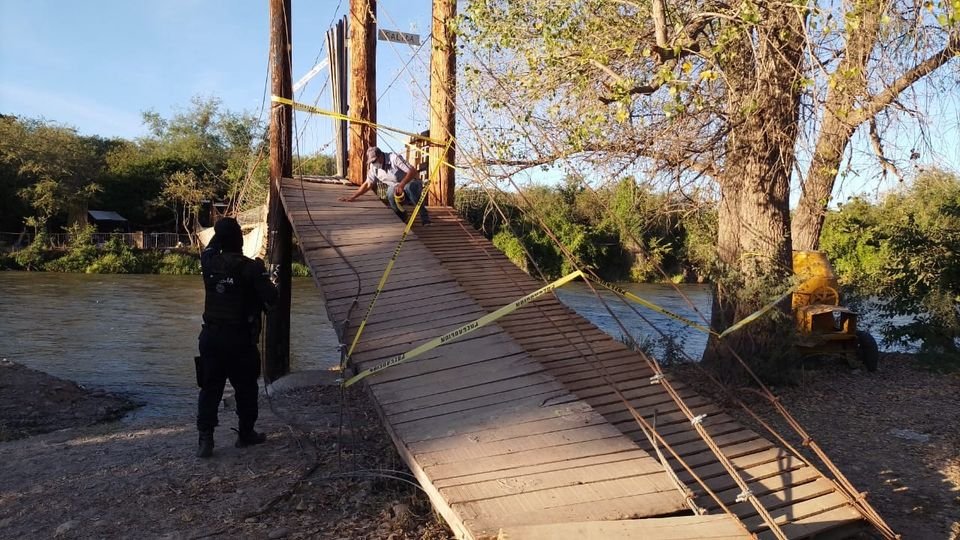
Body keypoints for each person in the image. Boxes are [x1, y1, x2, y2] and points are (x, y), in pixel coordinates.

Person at [195, 217, 278, 458]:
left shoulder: (209, 263)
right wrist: (264, 277)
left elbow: (212, 245)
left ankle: (205, 439)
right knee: (246, 389)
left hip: (211, 337)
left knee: (210, 389)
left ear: (219, 240)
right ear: (240, 239)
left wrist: (220, 235)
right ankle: (245, 434)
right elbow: (272, 299)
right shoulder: (251, 268)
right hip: (240, 340)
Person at [338, 146, 432, 225]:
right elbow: (368, 183)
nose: (373, 163)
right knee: (389, 193)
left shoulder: (394, 158)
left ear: (380, 156)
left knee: (410, 188)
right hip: (396, 187)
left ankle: (425, 217)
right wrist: (353, 197)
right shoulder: (373, 167)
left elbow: (412, 171)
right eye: (371, 162)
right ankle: (402, 216)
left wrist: (402, 184)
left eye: (374, 161)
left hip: (411, 183)